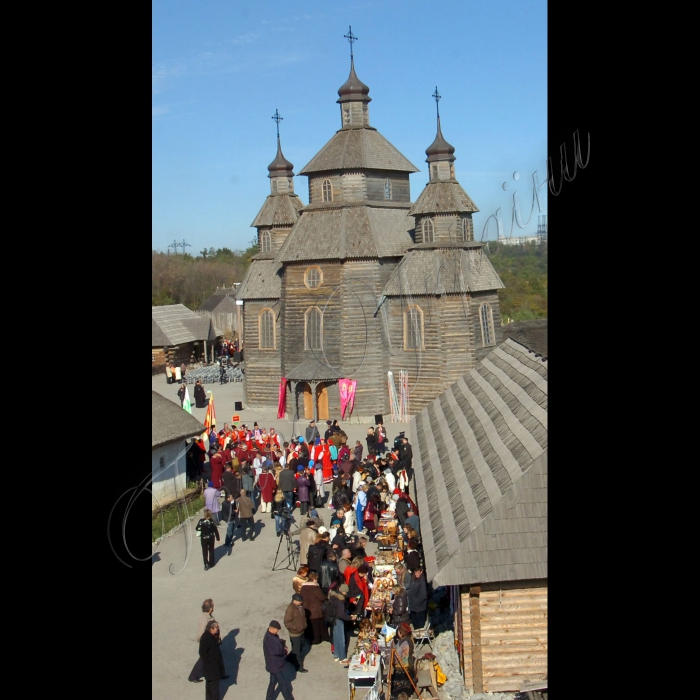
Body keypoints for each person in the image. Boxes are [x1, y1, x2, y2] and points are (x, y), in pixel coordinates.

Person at [263, 621, 295, 700]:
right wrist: (284, 650)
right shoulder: (270, 639)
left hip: (272, 664)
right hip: (275, 665)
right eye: (277, 629)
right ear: (272, 628)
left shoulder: (271, 636)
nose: (277, 631)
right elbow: (277, 651)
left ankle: (269, 698)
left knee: (273, 681)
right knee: (283, 682)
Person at [328, 582, 357, 665]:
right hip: (339, 620)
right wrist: (350, 617)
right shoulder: (340, 601)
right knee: (341, 639)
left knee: (336, 638)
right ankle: (342, 658)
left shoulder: (333, 596)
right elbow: (341, 614)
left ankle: (336, 655)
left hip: (333, 619)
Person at [188, 599, 218, 683]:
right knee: (204, 659)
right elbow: (202, 632)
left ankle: (220, 674)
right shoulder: (204, 619)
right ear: (211, 608)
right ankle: (193, 676)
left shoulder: (209, 617)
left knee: (215, 658)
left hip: (211, 642)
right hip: (207, 643)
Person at [300, 571, 330, 645]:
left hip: (307, 609)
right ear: (314, 579)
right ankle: (317, 639)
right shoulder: (315, 588)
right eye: (316, 579)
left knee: (310, 626)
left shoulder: (303, 587)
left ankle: (310, 639)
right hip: (316, 610)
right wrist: (327, 597)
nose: (317, 580)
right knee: (318, 625)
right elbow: (322, 597)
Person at [199, 620, 226, 700]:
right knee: (213, 689)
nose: (218, 628)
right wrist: (211, 660)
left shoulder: (212, 636)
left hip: (212, 667)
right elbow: (202, 652)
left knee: (210, 687)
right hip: (211, 667)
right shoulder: (206, 637)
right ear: (211, 629)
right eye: (216, 627)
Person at [390, 622, 416, 700]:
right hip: (409, 667)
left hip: (402, 669)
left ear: (401, 633)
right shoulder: (410, 639)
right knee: (406, 686)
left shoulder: (403, 644)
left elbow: (396, 657)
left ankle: (400, 697)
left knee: (399, 688)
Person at [284, 594, 308, 673]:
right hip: (295, 633)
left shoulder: (299, 607)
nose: (300, 603)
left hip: (301, 631)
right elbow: (287, 622)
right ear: (294, 600)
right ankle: (298, 667)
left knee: (300, 647)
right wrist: (296, 628)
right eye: (299, 601)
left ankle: (289, 658)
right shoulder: (290, 609)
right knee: (297, 651)